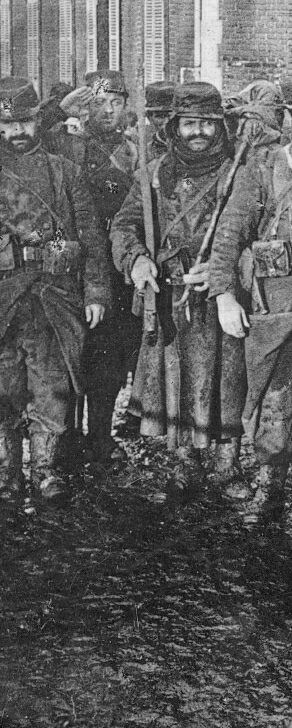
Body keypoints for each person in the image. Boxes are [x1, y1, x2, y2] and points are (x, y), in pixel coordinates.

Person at [209, 74, 292, 518]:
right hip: (275, 303)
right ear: (288, 117)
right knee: (273, 394)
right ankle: (270, 480)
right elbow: (230, 234)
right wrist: (225, 295)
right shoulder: (265, 167)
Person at [110, 82, 250, 498]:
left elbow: (256, 233)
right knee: (176, 377)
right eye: (190, 123)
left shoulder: (240, 172)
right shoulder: (152, 174)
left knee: (228, 379)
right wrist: (136, 260)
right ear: (174, 127)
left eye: (208, 123)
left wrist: (228, 270)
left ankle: (228, 466)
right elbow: (123, 226)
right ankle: (183, 462)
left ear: (221, 127)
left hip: (220, 297)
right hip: (168, 295)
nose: (199, 132)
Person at [0, 78, 110, 499]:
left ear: (38, 122)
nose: (17, 134)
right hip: (4, 296)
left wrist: (97, 292)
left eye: (24, 123)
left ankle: (46, 470)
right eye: (7, 126)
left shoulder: (65, 171)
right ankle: (7, 472)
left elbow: (92, 237)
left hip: (52, 296)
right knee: (5, 387)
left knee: (52, 386)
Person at [43, 72, 141, 463]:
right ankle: (66, 435)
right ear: (85, 108)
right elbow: (29, 142)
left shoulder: (135, 152)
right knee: (72, 351)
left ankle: (101, 436)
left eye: (116, 103)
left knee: (111, 355)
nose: (108, 111)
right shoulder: (67, 146)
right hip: (77, 262)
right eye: (99, 103)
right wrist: (59, 111)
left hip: (116, 264)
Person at [144, 81, 176, 161]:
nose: (166, 122)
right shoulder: (143, 154)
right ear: (149, 117)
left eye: (170, 116)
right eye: (160, 116)